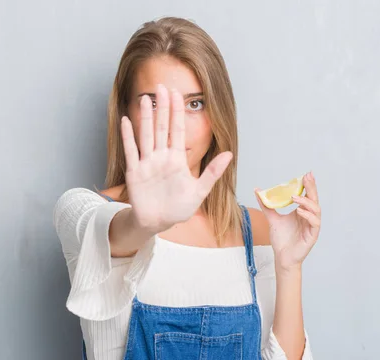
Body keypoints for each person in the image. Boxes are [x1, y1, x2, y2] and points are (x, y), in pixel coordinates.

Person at [53, 17, 319, 360]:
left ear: (218, 114)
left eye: (195, 103)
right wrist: (144, 224)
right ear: (125, 111)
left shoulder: (260, 231)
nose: (174, 124)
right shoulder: (84, 213)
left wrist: (289, 267)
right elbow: (109, 234)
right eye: (154, 102)